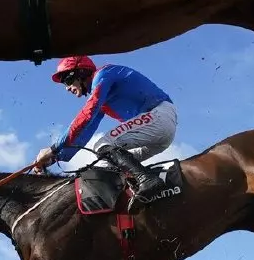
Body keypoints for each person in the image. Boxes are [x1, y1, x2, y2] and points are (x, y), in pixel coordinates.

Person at [33, 56, 177, 199]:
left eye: (68, 81)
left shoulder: (103, 75)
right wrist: (54, 158)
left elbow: (86, 114)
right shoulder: (102, 98)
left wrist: (53, 148)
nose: (67, 88)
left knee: (102, 145)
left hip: (159, 116)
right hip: (159, 133)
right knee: (104, 164)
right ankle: (135, 199)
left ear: (82, 73)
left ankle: (147, 180)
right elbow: (86, 131)